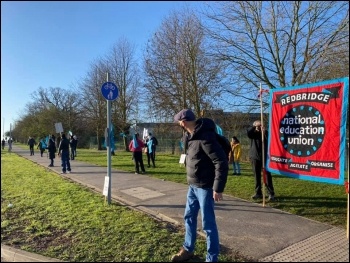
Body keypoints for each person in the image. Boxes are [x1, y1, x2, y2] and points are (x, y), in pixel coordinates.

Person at [171, 109, 228, 262]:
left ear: (183, 122)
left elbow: (220, 162)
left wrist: (218, 188)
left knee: (208, 224)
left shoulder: (205, 137)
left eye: (179, 122)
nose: (179, 124)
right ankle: (188, 249)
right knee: (189, 217)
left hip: (205, 187)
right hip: (192, 186)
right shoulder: (189, 136)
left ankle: (212, 258)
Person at [247, 120, 275, 201]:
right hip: (254, 157)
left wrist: (264, 131)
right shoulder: (252, 133)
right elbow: (249, 133)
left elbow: (270, 139)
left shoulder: (265, 133)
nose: (258, 127)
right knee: (257, 176)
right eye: (257, 126)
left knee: (267, 176)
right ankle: (258, 193)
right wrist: (255, 126)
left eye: (259, 125)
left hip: (265, 157)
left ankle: (271, 193)